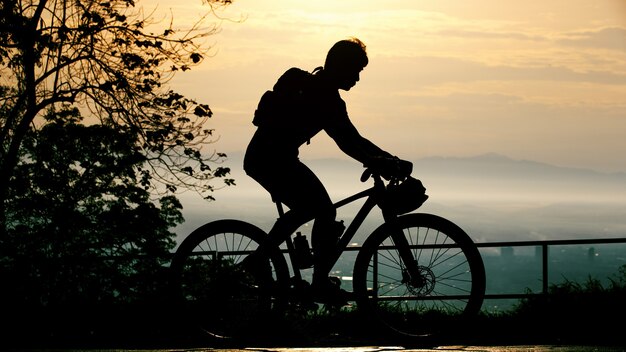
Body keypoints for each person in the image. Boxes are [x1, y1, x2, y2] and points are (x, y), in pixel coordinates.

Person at [243, 37, 412, 305]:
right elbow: (349, 143)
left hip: (274, 158)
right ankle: (305, 278)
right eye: (355, 70)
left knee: (316, 208)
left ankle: (266, 262)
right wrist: (386, 161)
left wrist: (387, 159)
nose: (357, 78)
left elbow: (353, 140)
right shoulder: (324, 98)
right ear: (340, 66)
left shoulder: (323, 94)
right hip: (269, 159)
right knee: (321, 209)